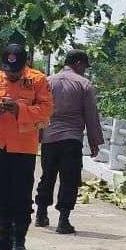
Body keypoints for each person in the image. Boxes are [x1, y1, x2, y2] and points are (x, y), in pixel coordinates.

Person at [0, 43, 54, 250]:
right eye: (8, 70)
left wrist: (20, 108)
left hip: (24, 148)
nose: (11, 74)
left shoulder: (37, 80)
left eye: (16, 70)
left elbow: (47, 110)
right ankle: (4, 236)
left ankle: (19, 240)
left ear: (24, 65)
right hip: (0, 145)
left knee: (20, 194)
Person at [35, 48, 102, 234]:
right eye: (84, 67)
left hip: (49, 137)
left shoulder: (48, 81)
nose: (85, 71)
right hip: (72, 139)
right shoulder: (84, 84)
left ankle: (41, 214)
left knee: (47, 176)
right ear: (79, 64)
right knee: (69, 179)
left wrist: (39, 135)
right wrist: (94, 141)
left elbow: (40, 109)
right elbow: (91, 115)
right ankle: (63, 220)